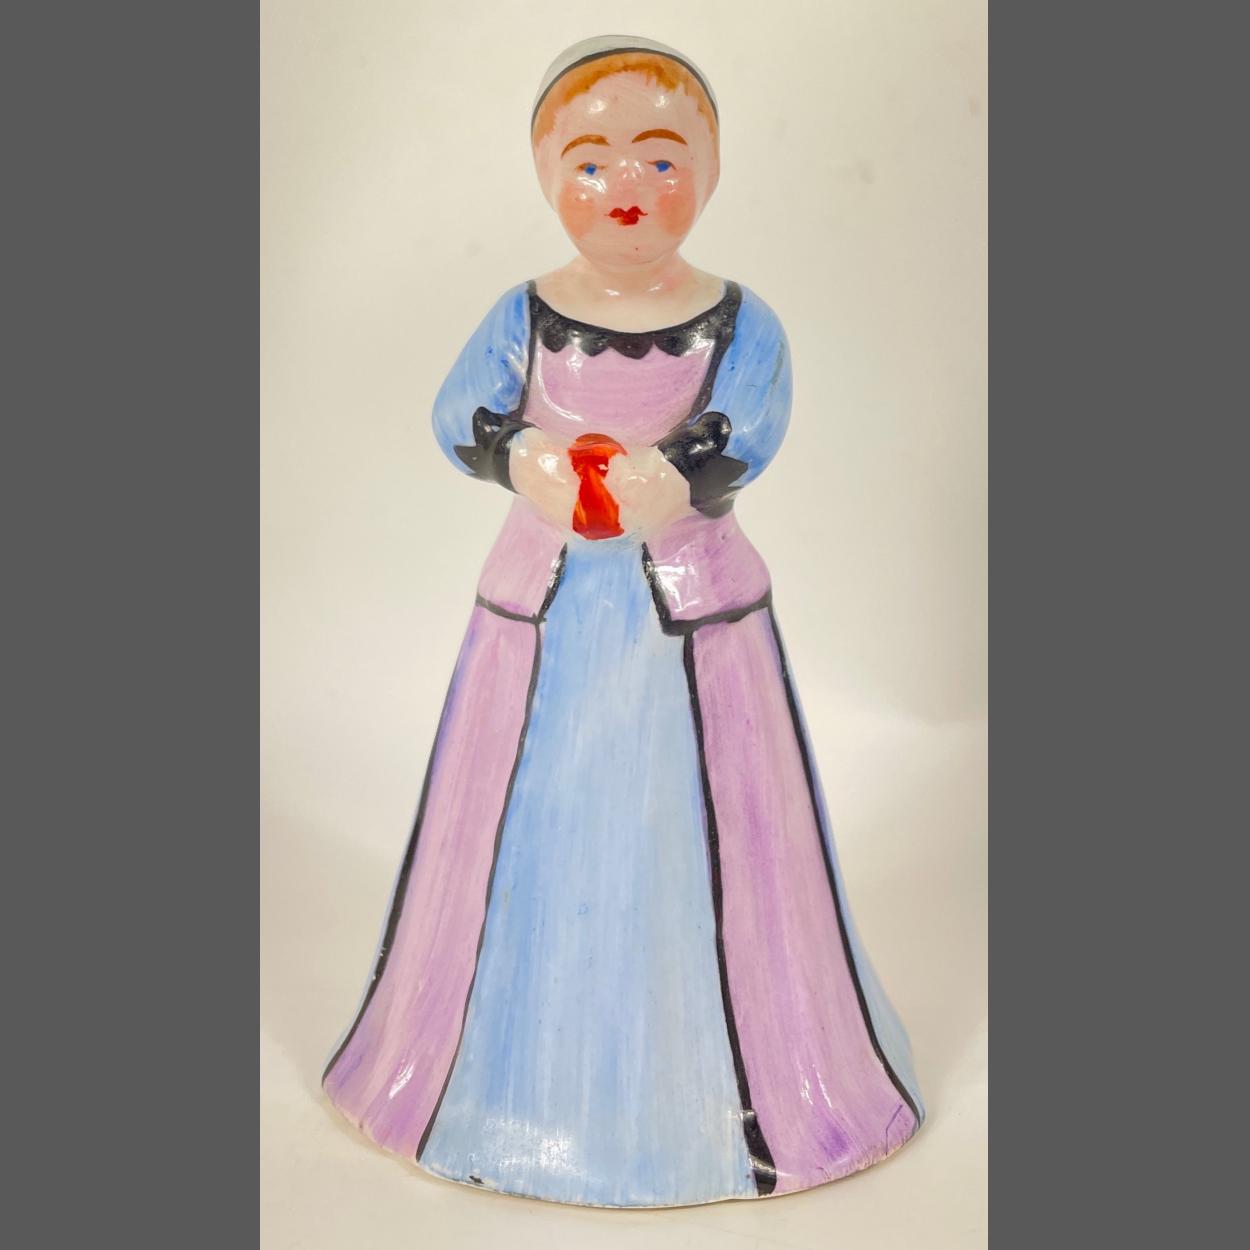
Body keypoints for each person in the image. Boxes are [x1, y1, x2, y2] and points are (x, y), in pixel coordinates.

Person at [324, 34, 923, 1208]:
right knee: (526, 821)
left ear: (710, 169)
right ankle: (488, 1079)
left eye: (660, 158)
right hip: (543, 616)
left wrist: (678, 473)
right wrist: (524, 455)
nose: (625, 188)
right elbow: (459, 413)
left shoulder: (740, 321)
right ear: (545, 174)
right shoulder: (523, 313)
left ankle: (749, 1090)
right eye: (589, 163)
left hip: (692, 624)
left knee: (708, 826)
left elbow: (749, 422)